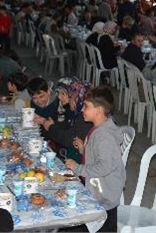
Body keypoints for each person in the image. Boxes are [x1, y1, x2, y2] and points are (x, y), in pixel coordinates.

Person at [65, 86, 125, 233]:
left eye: (86, 106)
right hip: (99, 188)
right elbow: (99, 155)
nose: (81, 110)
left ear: (98, 110)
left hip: (104, 196)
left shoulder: (104, 137)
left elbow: (105, 166)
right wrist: (83, 150)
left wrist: (78, 168)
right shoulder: (99, 128)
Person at [35, 77, 93, 163]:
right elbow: (64, 127)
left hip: (75, 160)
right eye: (58, 93)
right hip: (67, 153)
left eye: (64, 94)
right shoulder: (73, 111)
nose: (59, 97)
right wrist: (49, 125)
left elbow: (68, 138)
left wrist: (49, 125)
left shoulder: (85, 118)